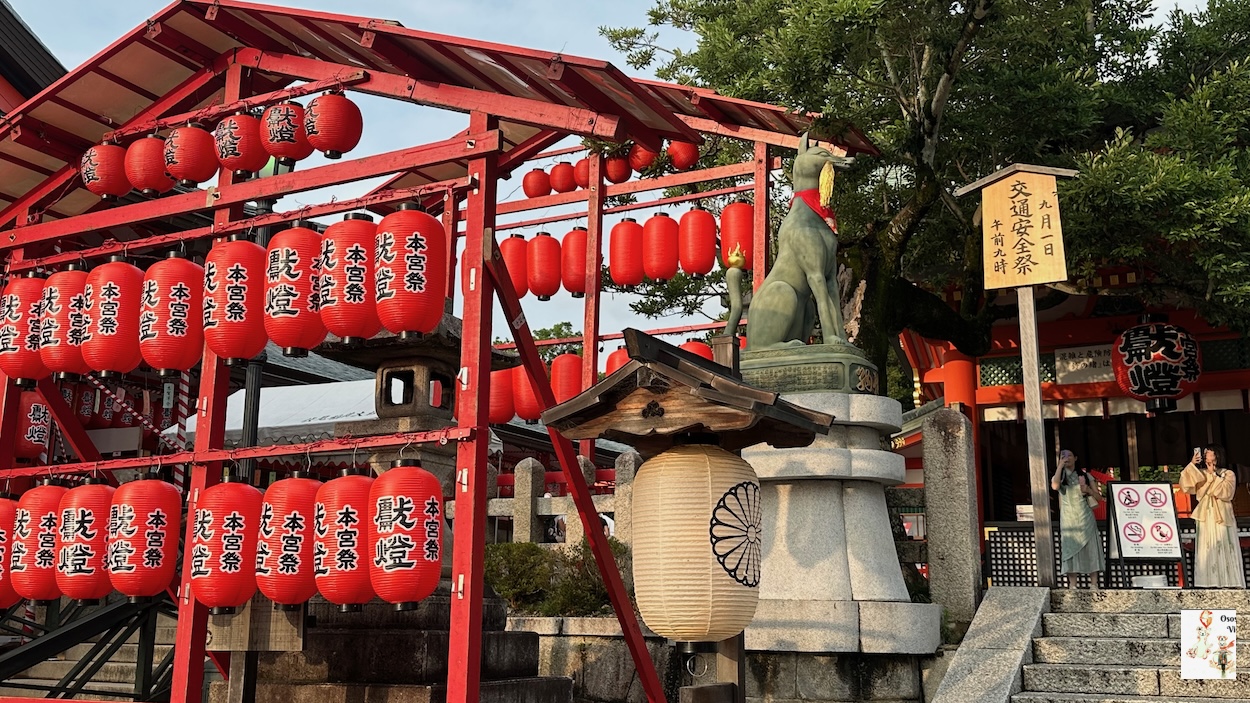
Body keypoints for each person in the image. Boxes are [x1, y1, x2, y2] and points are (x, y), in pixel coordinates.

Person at [1180, 445, 1246, 588]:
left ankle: (1230, 581)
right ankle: (1207, 581)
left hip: (1222, 514)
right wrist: (1192, 464)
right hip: (1206, 514)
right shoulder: (1201, 473)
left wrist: (1214, 476)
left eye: (1208, 453)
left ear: (1216, 455)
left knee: (1224, 543)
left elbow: (1226, 493)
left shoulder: (1227, 474)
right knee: (1206, 545)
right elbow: (1186, 485)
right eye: (1204, 454)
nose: (1205, 456)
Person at [1051, 449, 1104, 588]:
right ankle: (1072, 585)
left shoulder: (1086, 476)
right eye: (1062, 456)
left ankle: (1094, 584)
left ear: (1075, 458)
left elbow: (1099, 498)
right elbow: (1055, 486)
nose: (1066, 458)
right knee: (1070, 550)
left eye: (1069, 455)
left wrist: (1088, 490)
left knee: (1091, 549)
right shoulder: (1061, 476)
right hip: (1069, 518)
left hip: (1086, 517)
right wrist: (1060, 466)